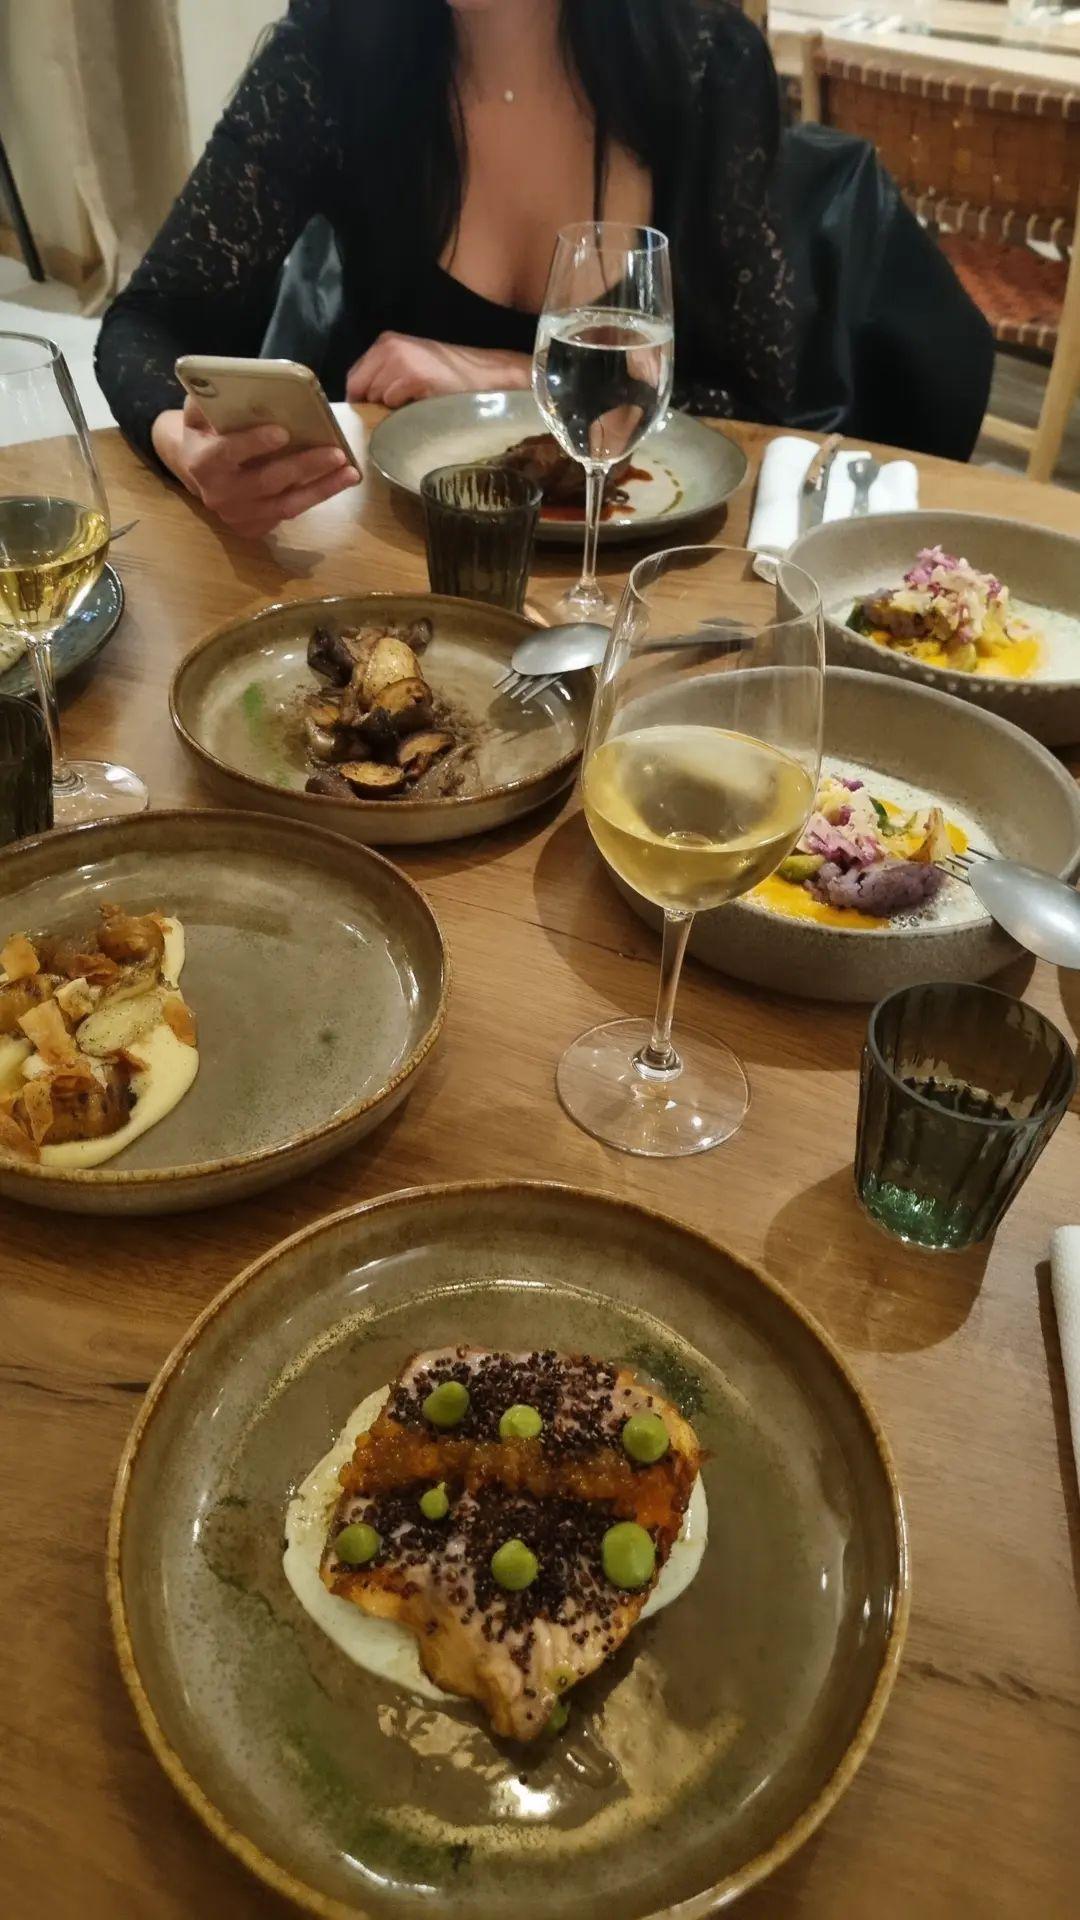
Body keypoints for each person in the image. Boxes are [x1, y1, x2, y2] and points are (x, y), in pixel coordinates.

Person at [95, 0, 793, 540]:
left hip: (648, 573)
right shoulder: (333, 52)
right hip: (398, 559)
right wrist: (184, 448)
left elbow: (761, 409)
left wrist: (507, 377)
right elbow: (148, 319)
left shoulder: (707, 67)